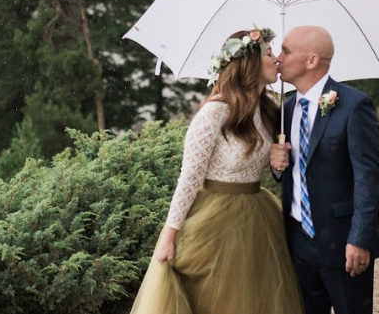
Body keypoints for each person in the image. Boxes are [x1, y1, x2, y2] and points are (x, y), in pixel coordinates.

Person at [130, 27, 303, 314]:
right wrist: (169, 236)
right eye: (270, 54)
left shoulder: (270, 110)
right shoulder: (215, 112)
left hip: (259, 220)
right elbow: (189, 177)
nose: (277, 61)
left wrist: (276, 160)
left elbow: (272, 168)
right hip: (214, 222)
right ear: (249, 63)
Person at [270, 26, 379, 314]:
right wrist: (276, 166)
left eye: (285, 51)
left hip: (344, 239)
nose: (277, 59)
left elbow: (368, 179)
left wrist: (360, 238)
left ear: (311, 60)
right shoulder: (285, 110)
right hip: (297, 240)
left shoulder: (354, 105)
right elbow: (290, 175)